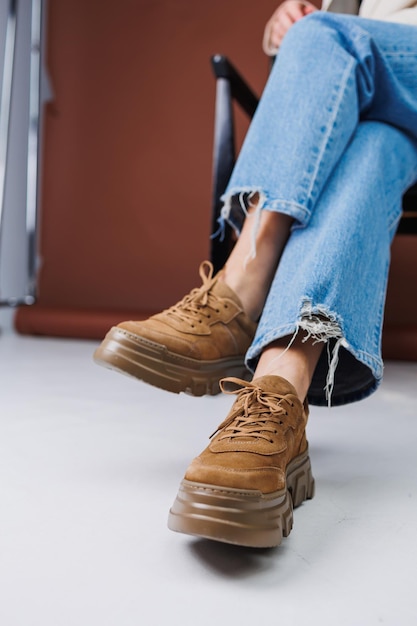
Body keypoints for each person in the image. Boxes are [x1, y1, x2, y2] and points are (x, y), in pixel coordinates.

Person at [94, 0, 417, 548]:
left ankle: (241, 286)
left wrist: (326, 34)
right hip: (388, 111)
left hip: (373, 60)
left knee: (323, 37)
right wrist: (282, 33)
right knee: (370, 148)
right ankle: (278, 395)